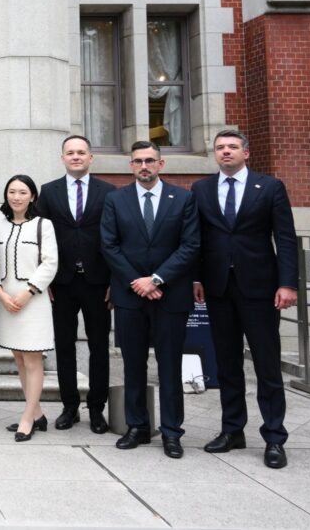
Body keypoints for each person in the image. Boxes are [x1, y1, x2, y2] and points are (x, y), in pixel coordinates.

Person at [193, 129, 299, 469]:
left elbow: (285, 238)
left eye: (232, 147)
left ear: (246, 153)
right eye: (220, 147)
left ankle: (274, 437)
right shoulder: (201, 189)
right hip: (218, 289)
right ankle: (232, 430)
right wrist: (197, 278)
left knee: (267, 365)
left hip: (261, 290)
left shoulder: (269, 187)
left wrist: (288, 284)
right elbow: (197, 238)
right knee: (227, 365)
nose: (226, 152)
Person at [100, 141, 199, 459]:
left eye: (150, 160)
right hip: (130, 296)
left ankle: (171, 431)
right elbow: (109, 245)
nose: (144, 166)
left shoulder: (183, 198)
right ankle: (137, 426)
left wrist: (156, 279)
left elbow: (190, 245)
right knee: (133, 365)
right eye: (138, 161)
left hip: (170, 295)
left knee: (169, 365)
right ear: (131, 166)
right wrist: (137, 282)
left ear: (161, 164)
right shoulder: (116, 199)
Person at [35, 135, 115, 433]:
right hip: (61, 283)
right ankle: (69, 406)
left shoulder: (108, 192)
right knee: (64, 346)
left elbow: (115, 237)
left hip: (98, 282)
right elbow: (39, 237)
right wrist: (43, 280)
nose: (76, 157)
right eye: (70, 153)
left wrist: (115, 281)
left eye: (81, 152)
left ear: (90, 157)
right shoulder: (48, 192)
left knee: (99, 347)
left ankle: (96, 408)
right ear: (63, 158)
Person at [0, 174, 59, 442]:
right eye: (12, 192)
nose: (16, 197)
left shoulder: (44, 225)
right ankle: (37, 413)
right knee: (18, 357)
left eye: (22, 192)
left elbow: (50, 263)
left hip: (33, 301)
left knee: (32, 359)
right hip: (7, 300)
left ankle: (27, 418)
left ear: (32, 196)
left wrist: (28, 292)